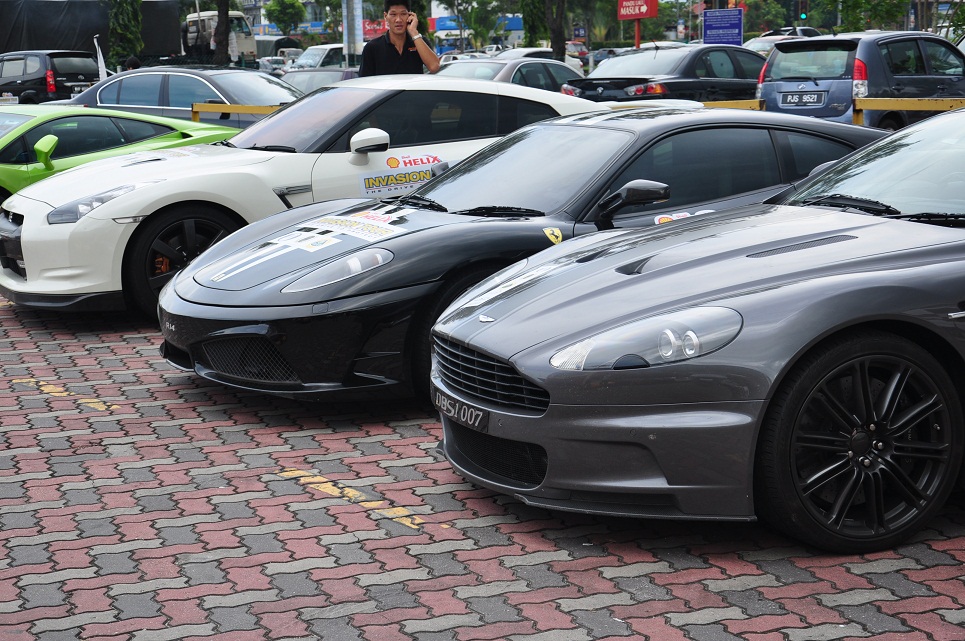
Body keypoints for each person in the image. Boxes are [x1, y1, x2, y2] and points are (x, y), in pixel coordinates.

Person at [359, 0, 440, 76]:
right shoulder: (372, 47)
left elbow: (434, 67)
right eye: (393, 14)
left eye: (403, 14)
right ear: (385, 16)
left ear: (410, 15)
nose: (398, 20)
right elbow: (364, 81)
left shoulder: (419, 42)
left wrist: (413, 32)